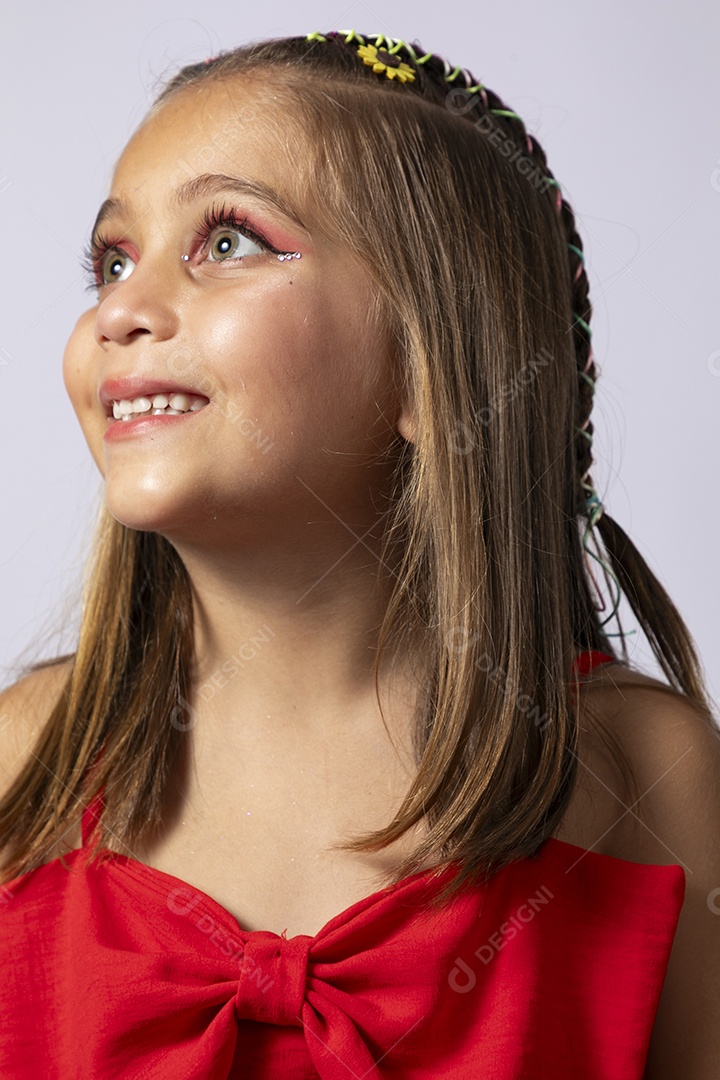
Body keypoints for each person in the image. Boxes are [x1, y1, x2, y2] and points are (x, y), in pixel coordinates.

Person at [0, 28, 718, 1079]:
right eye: (112, 260)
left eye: (228, 242)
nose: (120, 310)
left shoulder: (648, 776)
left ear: (433, 363)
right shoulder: (23, 761)